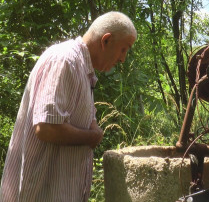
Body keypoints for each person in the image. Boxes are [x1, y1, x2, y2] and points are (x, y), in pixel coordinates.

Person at [0, 11, 137, 202]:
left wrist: (92, 126)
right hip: (40, 194)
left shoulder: (84, 70)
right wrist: (92, 136)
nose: (123, 59)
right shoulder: (65, 61)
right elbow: (46, 128)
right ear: (106, 40)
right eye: (124, 49)